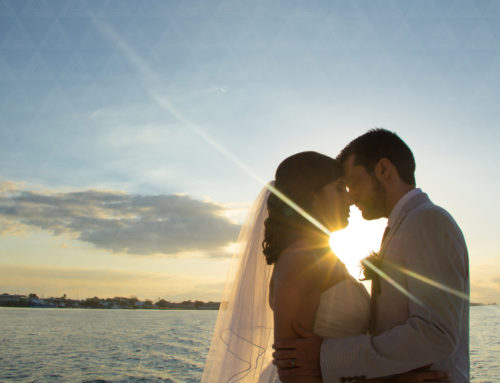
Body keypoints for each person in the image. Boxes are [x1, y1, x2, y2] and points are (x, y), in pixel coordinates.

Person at [202, 150, 448, 383]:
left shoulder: (321, 255)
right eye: (341, 188)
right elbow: (293, 372)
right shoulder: (300, 260)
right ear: (313, 196)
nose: (351, 198)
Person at [273, 130, 469, 382]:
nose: (351, 197)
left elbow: (436, 331)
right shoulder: (402, 228)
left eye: (353, 182)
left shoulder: (427, 220)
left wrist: (325, 356)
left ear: (384, 170)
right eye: (342, 188)